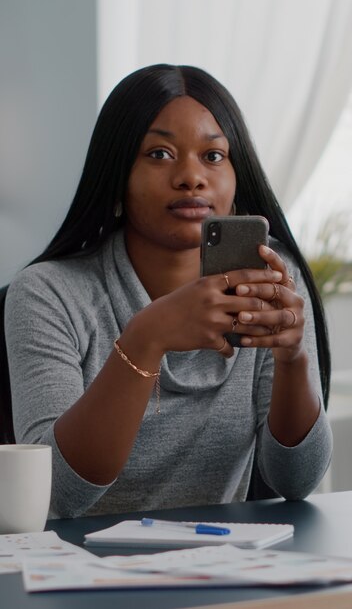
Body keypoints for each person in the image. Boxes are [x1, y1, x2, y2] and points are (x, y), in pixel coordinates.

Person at [4, 64, 332, 518]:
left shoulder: (268, 280)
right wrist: (145, 338)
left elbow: (297, 483)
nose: (191, 177)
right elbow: (59, 496)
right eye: (159, 154)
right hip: (77, 574)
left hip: (221, 567)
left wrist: (293, 359)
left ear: (238, 179)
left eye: (213, 156)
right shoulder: (48, 294)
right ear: (117, 176)